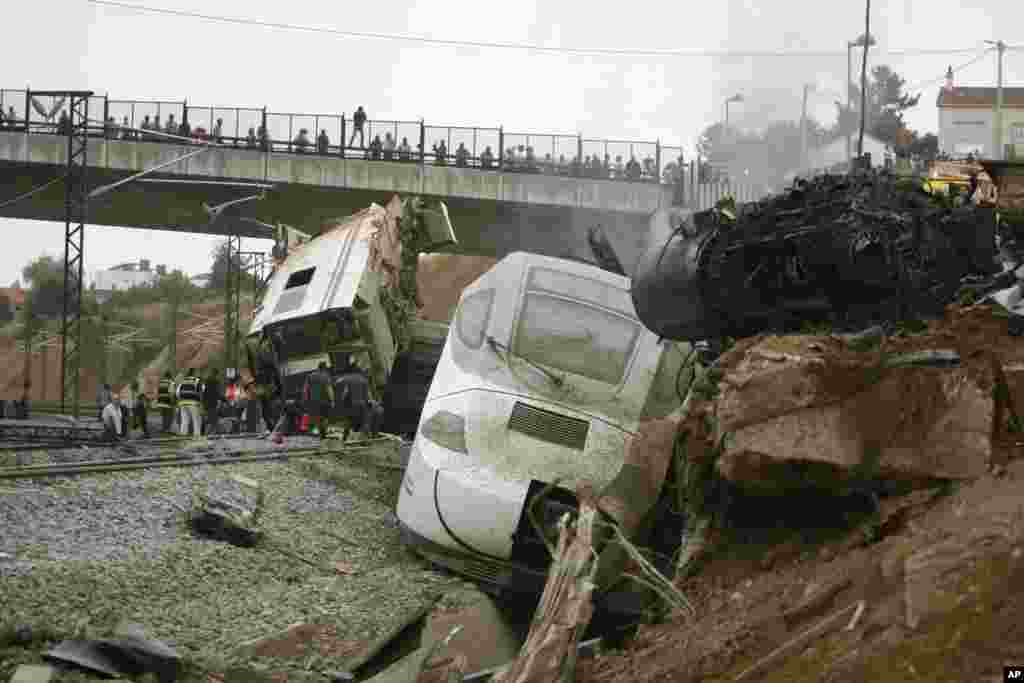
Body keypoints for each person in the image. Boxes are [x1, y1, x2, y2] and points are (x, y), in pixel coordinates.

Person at [333, 356, 371, 442]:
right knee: (364, 423)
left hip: (352, 405)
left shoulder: (347, 378)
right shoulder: (363, 379)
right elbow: (367, 395)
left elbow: (337, 383)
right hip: (362, 405)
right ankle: (368, 439)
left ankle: (344, 439)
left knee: (348, 422)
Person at [303, 362, 334, 439]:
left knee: (317, 417)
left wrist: (306, 399)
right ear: (324, 368)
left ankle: (321, 433)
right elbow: (329, 389)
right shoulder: (326, 376)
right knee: (325, 417)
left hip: (313, 401)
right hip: (325, 401)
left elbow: (305, 389)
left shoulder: (310, 376)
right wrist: (332, 400)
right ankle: (323, 433)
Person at [176, 368, 203, 436]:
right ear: (194, 373)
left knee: (184, 420)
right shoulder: (196, 380)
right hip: (193, 403)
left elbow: (177, 392)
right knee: (196, 420)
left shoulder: (182, 381)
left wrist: (180, 400)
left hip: (182, 403)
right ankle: (196, 436)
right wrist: (200, 402)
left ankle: (183, 435)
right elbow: (201, 392)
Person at [202, 368, 223, 436]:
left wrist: (203, 403)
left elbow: (204, 393)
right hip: (212, 403)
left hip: (206, 403)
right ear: (216, 374)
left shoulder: (206, 381)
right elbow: (217, 393)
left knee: (211, 420)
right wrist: (224, 399)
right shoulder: (215, 382)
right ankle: (209, 434)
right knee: (213, 421)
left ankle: (211, 433)